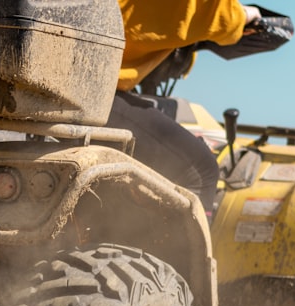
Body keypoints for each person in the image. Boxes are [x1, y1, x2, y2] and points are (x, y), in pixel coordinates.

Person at [109, 1, 263, 215]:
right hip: (86, 95)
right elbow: (192, 8)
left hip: (56, 89)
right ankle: (172, 249)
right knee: (201, 171)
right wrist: (241, 16)